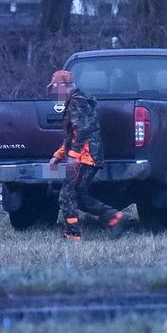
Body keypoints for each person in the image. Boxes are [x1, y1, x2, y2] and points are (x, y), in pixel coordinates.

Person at [47, 70, 128, 241]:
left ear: (63, 86)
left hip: (85, 156)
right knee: (79, 197)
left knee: (66, 195)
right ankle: (114, 217)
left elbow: (83, 130)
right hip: (87, 155)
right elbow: (73, 134)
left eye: (54, 86)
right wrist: (59, 154)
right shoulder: (76, 101)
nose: (53, 90)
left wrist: (74, 156)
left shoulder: (76, 103)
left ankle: (73, 234)